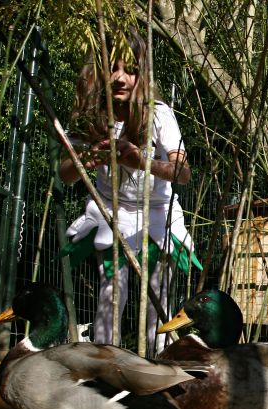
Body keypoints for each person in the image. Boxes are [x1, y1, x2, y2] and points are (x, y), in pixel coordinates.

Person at [59, 28, 196, 357]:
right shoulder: (92, 118)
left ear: (141, 76)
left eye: (131, 70)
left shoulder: (159, 113)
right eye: (113, 67)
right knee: (110, 294)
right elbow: (65, 175)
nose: (120, 78)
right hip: (112, 214)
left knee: (158, 302)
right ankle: (106, 372)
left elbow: (183, 172)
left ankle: (162, 370)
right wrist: (91, 157)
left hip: (159, 216)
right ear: (99, 71)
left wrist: (140, 160)